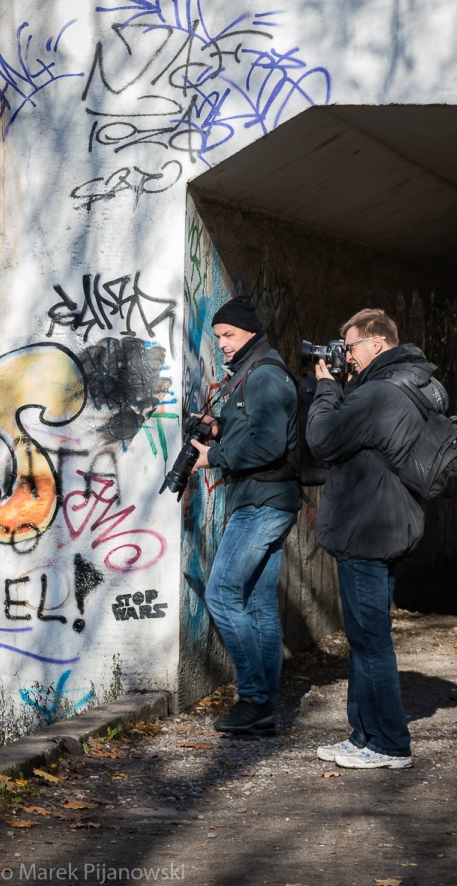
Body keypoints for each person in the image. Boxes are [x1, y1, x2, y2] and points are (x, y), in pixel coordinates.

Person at [306, 307, 442, 770]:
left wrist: (326, 389)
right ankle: (363, 735)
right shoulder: (406, 385)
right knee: (366, 637)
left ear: (377, 344)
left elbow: (322, 440)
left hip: (367, 529)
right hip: (384, 523)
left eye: (351, 346)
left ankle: (389, 743)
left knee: (370, 640)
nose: (347, 356)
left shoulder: (380, 393)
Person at [190, 295, 301, 737]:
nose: (223, 344)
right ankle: (264, 709)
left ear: (251, 332)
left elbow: (269, 446)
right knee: (257, 605)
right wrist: (221, 429)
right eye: (218, 337)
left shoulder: (265, 376)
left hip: (262, 503)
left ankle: (254, 698)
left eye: (229, 335)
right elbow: (255, 432)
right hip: (265, 500)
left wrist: (213, 456)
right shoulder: (251, 374)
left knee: (220, 595)